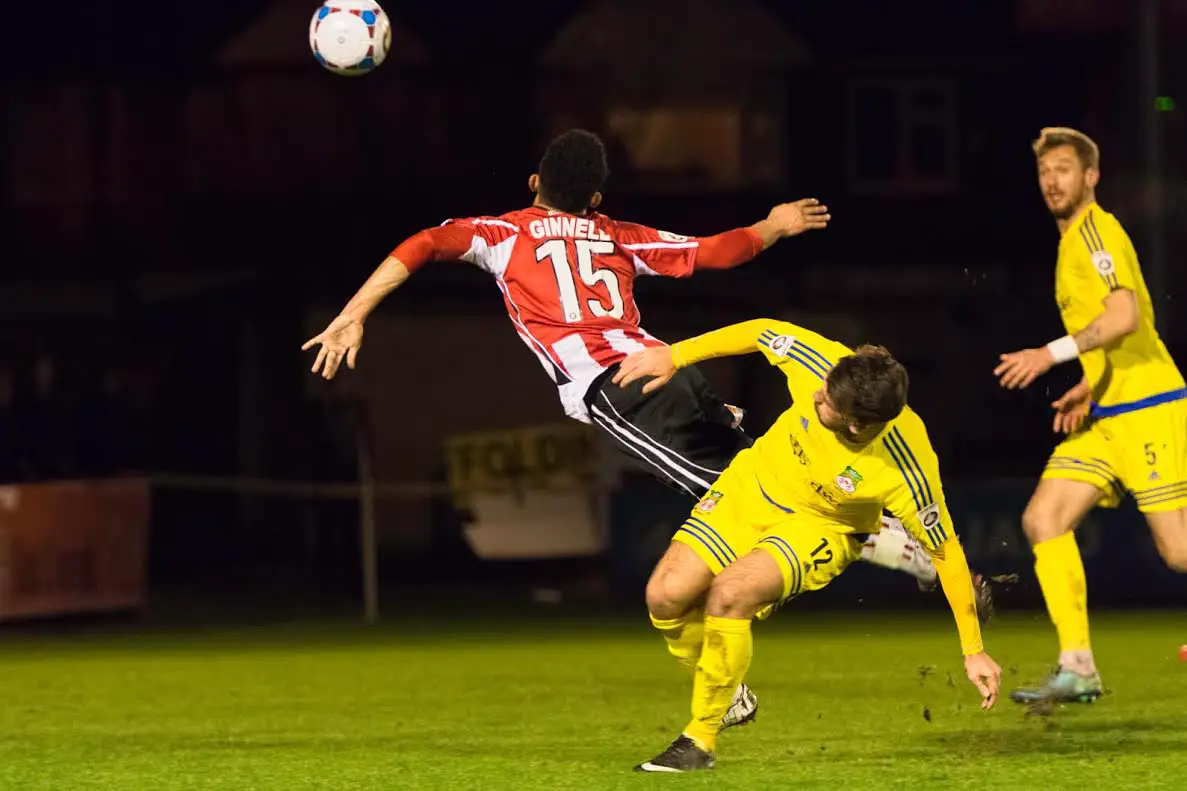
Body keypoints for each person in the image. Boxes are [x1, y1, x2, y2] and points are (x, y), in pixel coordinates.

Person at [302, 128, 966, 725]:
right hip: (666, 368)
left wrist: (354, 312)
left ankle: (885, 543)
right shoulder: (617, 235)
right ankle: (866, 547)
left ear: (534, 183)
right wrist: (771, 225)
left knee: (749, 493)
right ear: (593, 195)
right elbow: (715, 253)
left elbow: (421, 244)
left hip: (617, 388)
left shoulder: (499, 235)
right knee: (753, 473)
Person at [614, 320, 1001, 772]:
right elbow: (761, 331)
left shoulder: (906, 468)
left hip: (823, 526)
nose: (816, 396)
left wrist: (973, 649)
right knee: (665, 595)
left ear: (858, 425)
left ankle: (699, 739)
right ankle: (730, 696)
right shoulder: (822, 365)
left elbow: (946, 552)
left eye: (829, 403)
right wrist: (675, 355)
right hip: (751, 488)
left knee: (730, 594)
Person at [994, 127, 1187, 707]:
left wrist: (1049, 355)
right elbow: (1117, 333)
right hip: (1107, 412)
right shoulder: (1072, 240)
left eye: (1064, 169)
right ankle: (1078, 667)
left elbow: (1124, 316)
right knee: (1043, 519)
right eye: (1045, 171)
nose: (1052, 180)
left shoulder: (1096, 232)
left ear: (1091, 176)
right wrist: (1086, 385)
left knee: (1178, 552)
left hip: (1149, 409)